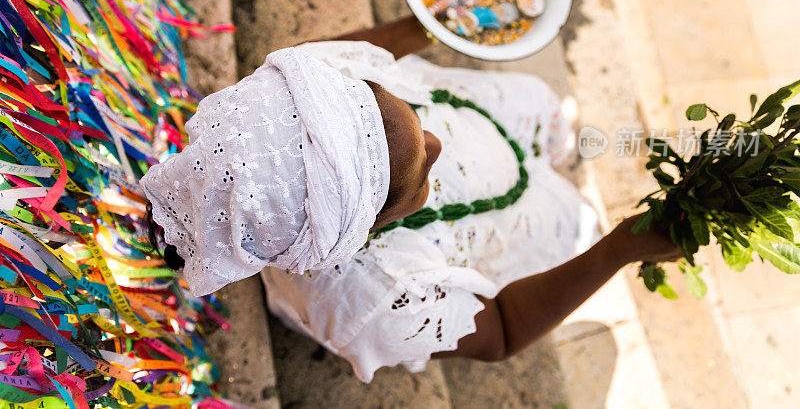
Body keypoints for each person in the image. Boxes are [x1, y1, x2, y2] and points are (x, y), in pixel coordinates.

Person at [142, 39, 681, 382]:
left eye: (390, 105)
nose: (436, 144)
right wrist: (618, 248)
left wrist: (429, 20)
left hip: (476, 121)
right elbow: (504, 330)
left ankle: (556, 149)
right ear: (365, 229)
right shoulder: (375, 301)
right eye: (417, 173)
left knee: (536, 101)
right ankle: (560, 186)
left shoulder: (315, 88)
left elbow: (368, 49)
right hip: (480, 233)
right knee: (573, 223)